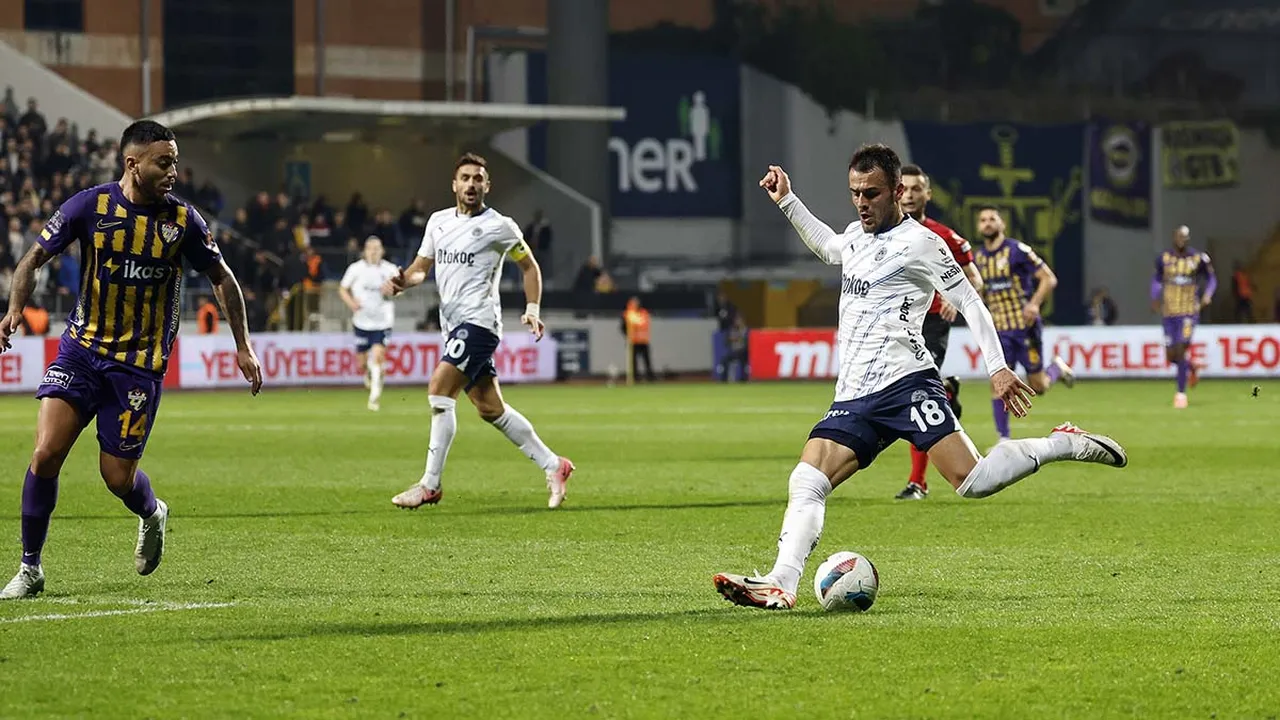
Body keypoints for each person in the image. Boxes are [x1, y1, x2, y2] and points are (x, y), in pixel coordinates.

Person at [711, 146, 1127, 610]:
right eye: (855, 194)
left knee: (974, 480)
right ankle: (781, 583)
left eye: (871, 193)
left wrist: (997, 368)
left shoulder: (923, 243)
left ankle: (1060, 442)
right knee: (807, 480)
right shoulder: (854, 237)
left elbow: (970, 301)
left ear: (896, 193)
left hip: (907, 382)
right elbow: (827, 246)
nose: (862, 202)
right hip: (853, 395)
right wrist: (788, 200)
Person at [0, 120, 263, 600]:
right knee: (45, 452)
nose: (173, 173)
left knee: (116, 477)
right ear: (132, 163)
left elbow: (223, 279)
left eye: (175, 163)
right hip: (81, 351)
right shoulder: (88, 206)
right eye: (164, 163)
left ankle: (151, 512)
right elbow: (32, 260)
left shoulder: (183, 222)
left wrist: (242, 344)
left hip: (138, 365)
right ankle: (30, 567)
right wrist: (16, 306)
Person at [383, 153, 574, 509]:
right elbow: (420, 270)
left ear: (487, 186)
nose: (471, 184)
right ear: (454, 184)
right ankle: (554, 465)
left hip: (480, 323)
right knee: (489, 408)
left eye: (478, 179)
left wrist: (532, 309)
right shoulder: (438, 222)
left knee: (439, 389)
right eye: (465, 178)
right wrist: (402, 281)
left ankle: (430, 485)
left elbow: (530, 268)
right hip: (453, 327)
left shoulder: (500, 226)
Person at [892, 164, 983, 501]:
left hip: (930, 323)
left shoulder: (945, 237)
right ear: (896, 191)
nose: (912, 194)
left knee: (917, 396)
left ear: (928, 194)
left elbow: (975, 278)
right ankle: (946, 391)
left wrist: (954, 301)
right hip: (894, 326)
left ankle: (918, 482)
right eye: (907, 188)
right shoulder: (879, 235)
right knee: (906, 395)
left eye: (918, 189)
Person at [972, 207, 1075, 444]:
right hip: (998, 331)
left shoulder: (1017, 250)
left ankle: (1056, 369)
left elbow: (1049, 278)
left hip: (1024, 327)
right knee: (998, 382)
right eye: (982, 220)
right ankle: (1003, 439)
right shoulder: (977, 259)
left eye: (992, 219)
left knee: (1038, 386)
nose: (987, 223)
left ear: (1002, 223)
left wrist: (1034, 304)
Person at [1152, 225, 1215, 408]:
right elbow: (1156, 279)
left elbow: (1212, 278)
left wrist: (1207, 295)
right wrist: (1155, 296)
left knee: (1180, 349)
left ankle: (1180, 394)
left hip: (1188, 312)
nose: (1182, 240)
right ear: (1174, 238)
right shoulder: (1164, 259)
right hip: (1169, 312)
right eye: (1180, 237)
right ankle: (1191, 367)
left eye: (1185, 237)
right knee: (1171, 356)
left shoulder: (1198, 258)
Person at [339, 236, 400, 411]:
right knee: (362, 363)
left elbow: (400, 290)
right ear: (365, 251)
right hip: (362, 321)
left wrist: (394, 291)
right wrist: (351, 303)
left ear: (382, 250)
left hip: (383, 321)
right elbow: (342, 288)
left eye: (377, 248)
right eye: (370, 248)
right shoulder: (355, 269)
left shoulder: (390, 269)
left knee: (379, 356)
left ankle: (374, 398)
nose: (373, 251)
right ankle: (370, 374)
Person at [623, 296, 655, 382]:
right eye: (633, 303)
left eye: (636, 302)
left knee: (646, 359)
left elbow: (642, 322)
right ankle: (635, 377)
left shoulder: (643, 312)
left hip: (643, 340)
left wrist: (634, 321)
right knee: (633, 361)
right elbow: (623, 326)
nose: (635, 304)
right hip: (633, 341)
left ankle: (650, 376)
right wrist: (627, 335)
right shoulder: (628, 313)